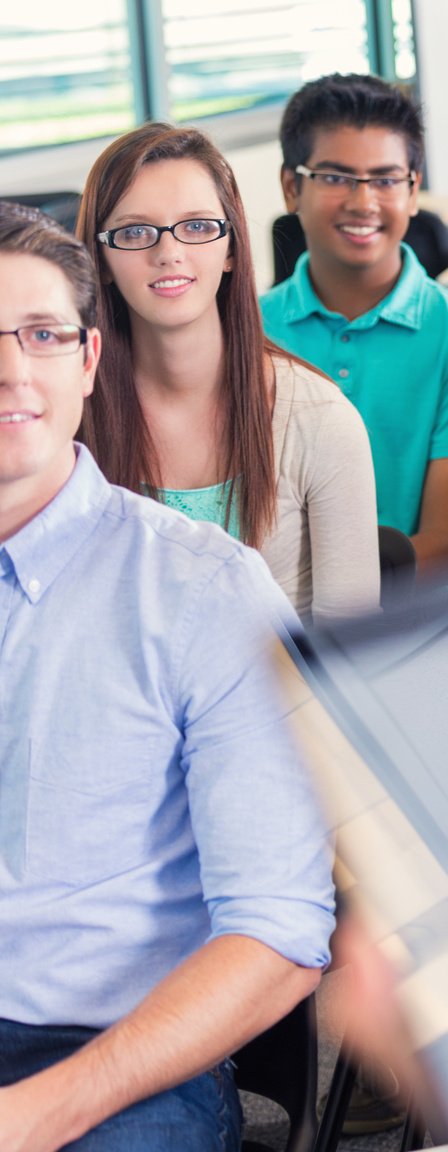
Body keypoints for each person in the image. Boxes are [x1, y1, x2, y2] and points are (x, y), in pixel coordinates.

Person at [0, 203, 334, 1151]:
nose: (12, 370)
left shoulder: (201, 591)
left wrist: (31, 1117)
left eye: (42, 335)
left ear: (89, 361)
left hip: (112, 1059)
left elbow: (279, 932)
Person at [75, 122, 378, 624]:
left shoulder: (319, 419)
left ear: (233, 247)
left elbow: (355, 655)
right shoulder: (69, 416)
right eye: (134, 232)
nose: (168, 251)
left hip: (281, 700)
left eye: (196, 226)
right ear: (101, 260)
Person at [260, 72, 448, 580]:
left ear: (413, 191)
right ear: (292, 187)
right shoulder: (247, 329)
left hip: (417, 620)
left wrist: (344, 615)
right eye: (335, 177)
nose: (363, 201)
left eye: (385, 179)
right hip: (274, 617)